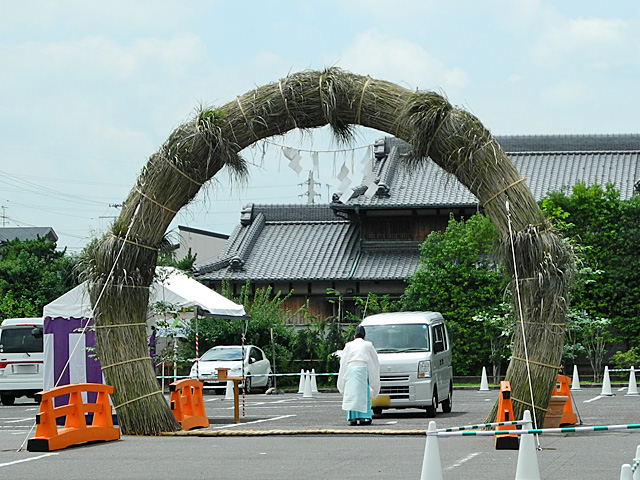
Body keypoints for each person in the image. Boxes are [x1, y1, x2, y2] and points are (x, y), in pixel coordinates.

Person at [337, 324, 381, 426]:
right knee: (363, 393)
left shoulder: (348, 345)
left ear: (354, 336)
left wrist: (343, 375)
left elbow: (343, 361)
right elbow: (374, 359)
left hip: (350, 369)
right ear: (364, 336)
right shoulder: (368, 344)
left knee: (351, 393)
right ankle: (364, 417)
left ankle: (352, 417)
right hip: (362, 369)